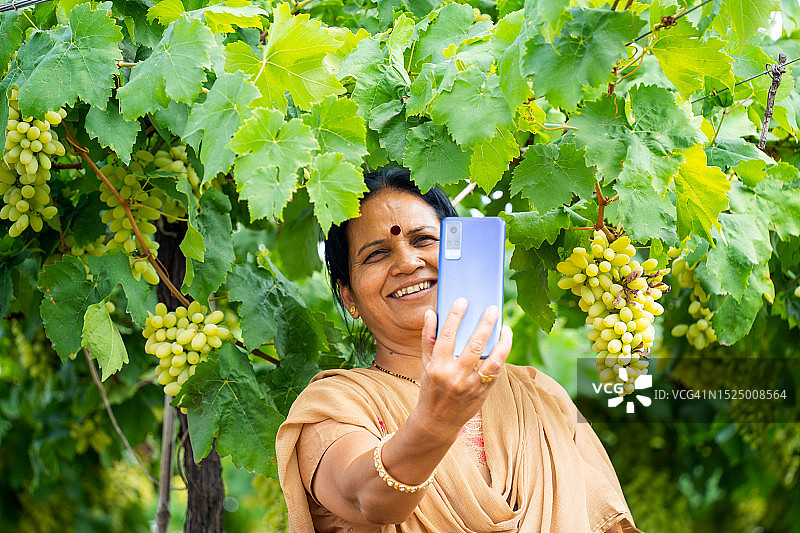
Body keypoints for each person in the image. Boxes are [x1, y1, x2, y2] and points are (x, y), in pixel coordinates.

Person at [276, 167, 638, 532]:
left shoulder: (539, 396)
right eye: (377, 254)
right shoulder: (332, 405)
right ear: (348, 296)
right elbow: (366, 497)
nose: (407, 262)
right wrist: (435, 422)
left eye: (423, 240)